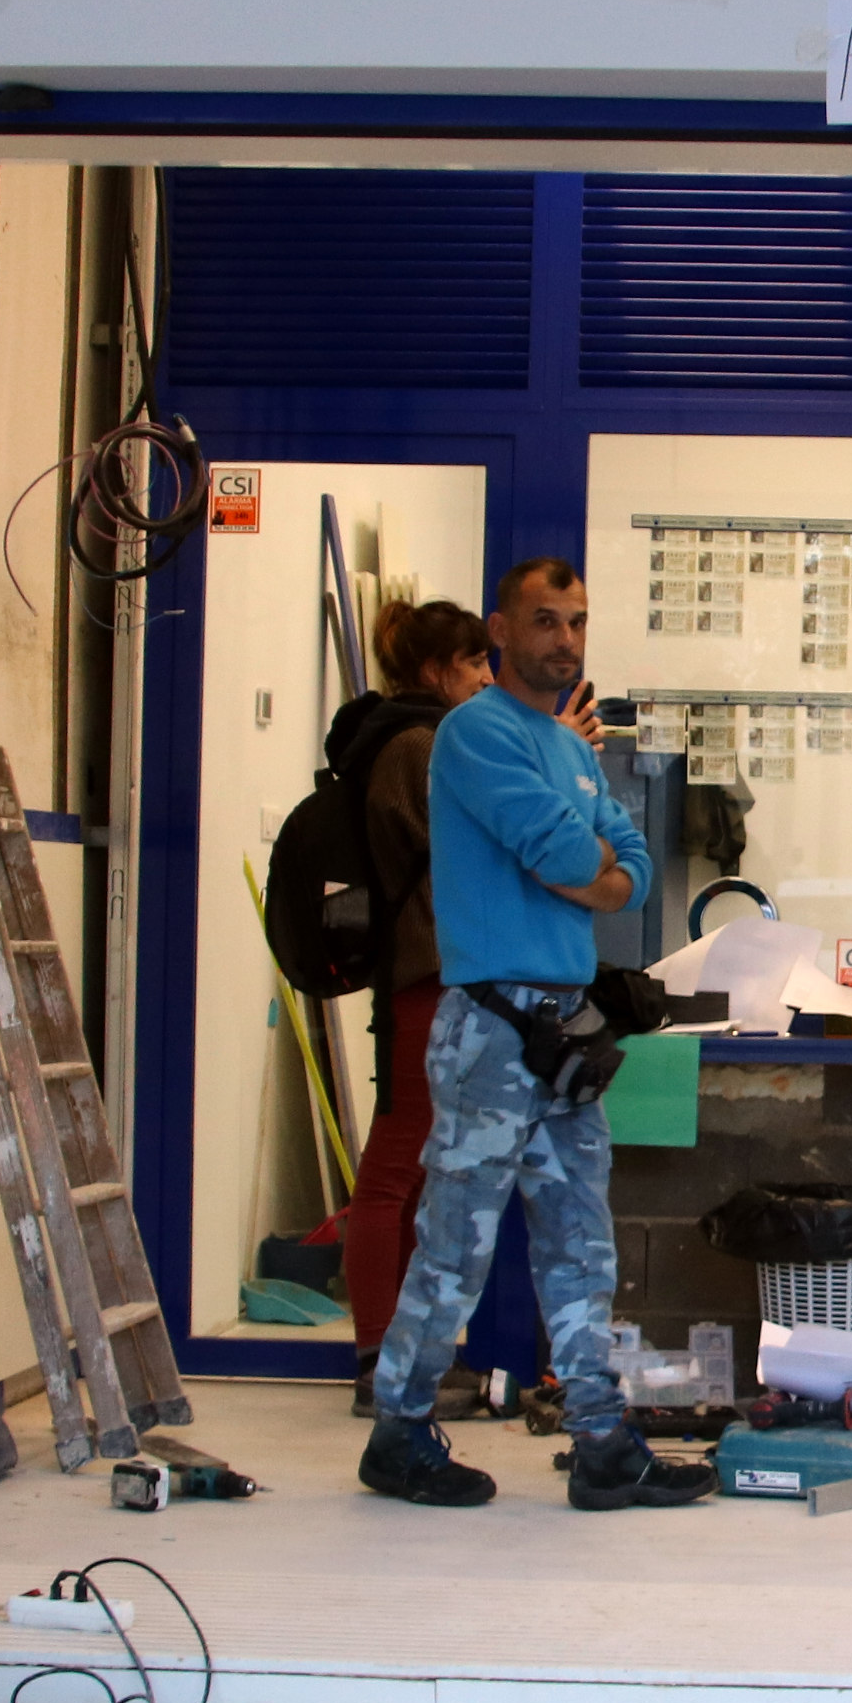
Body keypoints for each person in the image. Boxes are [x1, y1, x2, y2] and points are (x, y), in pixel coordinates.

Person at [359, 559, 713, 1511]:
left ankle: (601, 1443)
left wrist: (590, 866)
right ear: (500, 632)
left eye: (578, 623)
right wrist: (584, 863)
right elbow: (567, 854)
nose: (565, 640)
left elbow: (629, 870)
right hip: (489, 1030)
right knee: (456, 1244)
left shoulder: (568, 748)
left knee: (580, 1242)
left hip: (563, 1029)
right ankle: (399, 1430)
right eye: (544, 621)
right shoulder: (474, 735)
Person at [338, 596, 494, 1412]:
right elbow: (469, 846)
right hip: (421, 980)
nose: (485, 679)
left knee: (415, 1170)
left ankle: (401, 1352)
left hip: (439, 976)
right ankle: (378, 1359)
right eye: (473, 665)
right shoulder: (414, 746)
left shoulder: (426, 743)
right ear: (437, 673)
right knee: (395, 1169)